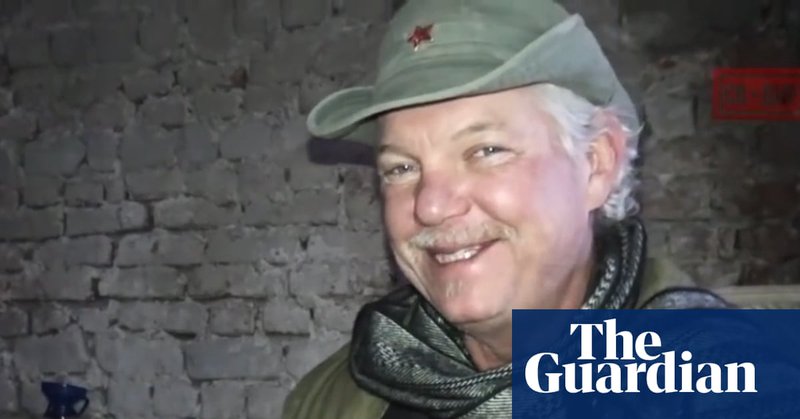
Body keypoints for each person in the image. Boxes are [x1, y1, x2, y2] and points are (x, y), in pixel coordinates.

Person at [283, 0, 728, 418]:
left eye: (487, 150)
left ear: (595, 164)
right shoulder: (331, 400)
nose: (431, 206)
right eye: (401, 168)